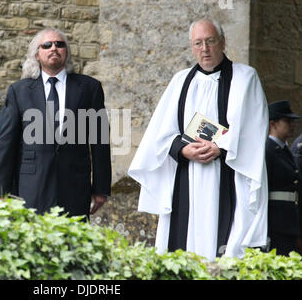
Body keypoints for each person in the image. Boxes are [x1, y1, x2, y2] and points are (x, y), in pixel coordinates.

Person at [128, 19, 269, 261]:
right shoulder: (180, 81)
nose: (205, 48)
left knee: (224, 247)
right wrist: (183, 151)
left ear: (223, 42)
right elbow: (160, 134)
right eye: (198, 43)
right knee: (183, 248)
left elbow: (255, 126)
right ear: (192, 47)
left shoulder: (246, 78)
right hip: (187, 176)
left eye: (210, 41)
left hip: (228, 173)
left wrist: (220, 147)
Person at [0, 28, 111, 217]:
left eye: (59, 44)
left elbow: (100, 140)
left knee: (73, 243)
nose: (54, 48)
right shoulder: (19, 91)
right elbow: (5, 143)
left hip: (74, 185)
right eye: (47, 45)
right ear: (37, 55)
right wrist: (0, 190)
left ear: (66, 52)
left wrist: (101, 187)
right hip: (31, 186)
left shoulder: (89, 88)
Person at [266, 100, 301, 255]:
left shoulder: (284, 149)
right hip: (276, 221)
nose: (292, 125)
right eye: (287, 121)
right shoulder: (267, 150)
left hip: (289, 219)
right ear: (273, 124)